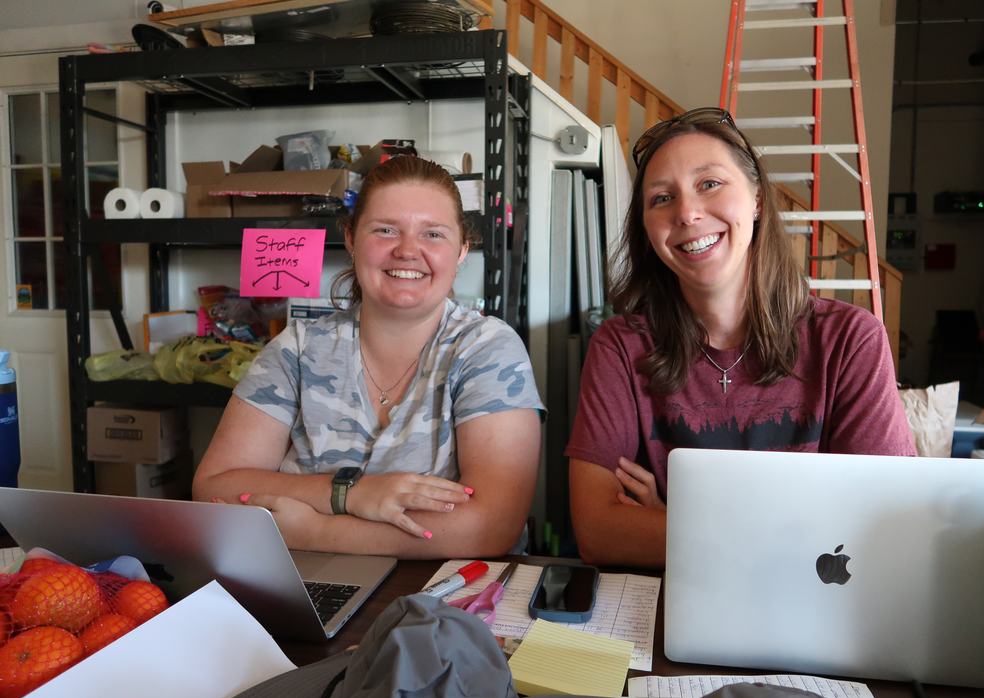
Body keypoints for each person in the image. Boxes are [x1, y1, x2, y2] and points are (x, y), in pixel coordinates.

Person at [566, 108, 915, 568]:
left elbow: (885, 526)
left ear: (757, 200)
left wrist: (676, 523)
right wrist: (795, 534)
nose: (687, 213)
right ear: (646, 228)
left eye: (709, 183)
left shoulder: (850, 339)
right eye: (661, 198)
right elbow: (598, 532)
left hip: (808, 605)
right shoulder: (620, 346)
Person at [193, 156, 544, 559]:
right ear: (351, 238)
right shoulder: (298, 349)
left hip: (447, 589)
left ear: (462, 250)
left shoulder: (486, 349)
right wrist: (351, 493)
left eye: (432, 234)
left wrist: (316, 530)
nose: (407, 250)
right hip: (305, 581)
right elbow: (213, 488)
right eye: (385, 230)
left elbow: (491, 526)